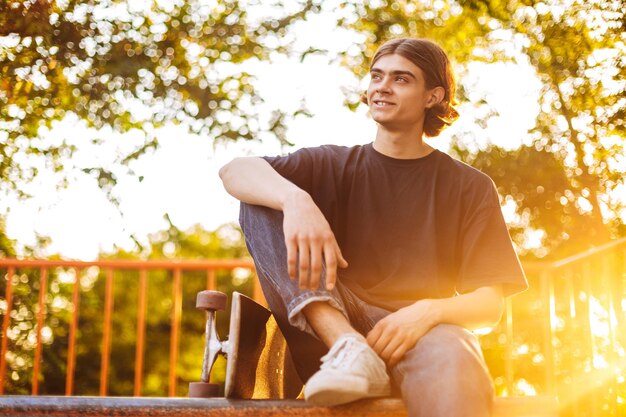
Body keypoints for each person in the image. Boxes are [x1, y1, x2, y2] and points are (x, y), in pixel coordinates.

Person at [219, 37, 528, 417]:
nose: (382, 86)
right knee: (261, 194)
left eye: (401, 79)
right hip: (330, 336)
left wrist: (428, 312)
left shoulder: (469, 185)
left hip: (418, 334)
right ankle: (350, 348)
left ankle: (376, 353)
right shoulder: (329, 165)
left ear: (433, 96)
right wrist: (296, 201)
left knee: (456, 354)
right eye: (376, 76)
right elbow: (235, 171)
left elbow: (489, 304)